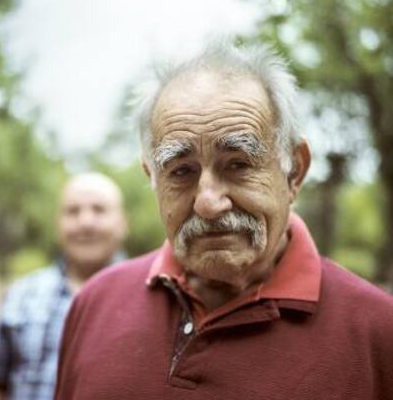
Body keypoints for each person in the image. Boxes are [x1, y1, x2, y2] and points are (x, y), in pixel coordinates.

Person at [54, 39, 393, 400]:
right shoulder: (95, 303)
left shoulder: (378, 332)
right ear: (152, 177)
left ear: (294, 170)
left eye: (238, 164)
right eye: (181, 171)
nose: (208, 204)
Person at [0, 172, 127, 400]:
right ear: (58, 224)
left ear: (122, 223)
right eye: (73, 211)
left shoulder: (154, 296)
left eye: (99, 209)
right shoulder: (21, 295)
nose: (85, 222)